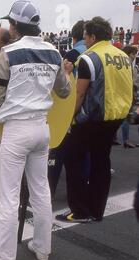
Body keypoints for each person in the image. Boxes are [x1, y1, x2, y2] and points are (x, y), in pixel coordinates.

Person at [0, 1, 73, 260]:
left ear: (14, 25)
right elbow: (64, 92)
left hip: (17, 129)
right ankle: (43, 248)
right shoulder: (54, 52)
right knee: (41, 190)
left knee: (8, 196)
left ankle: (3, 257)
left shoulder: (7, 53)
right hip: (42, 128)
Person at [56, 17, 133, 223]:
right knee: (101, 161)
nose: (85, 41)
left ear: (92, 36)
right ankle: (96, 210)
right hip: (115, 117)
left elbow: (79, 94)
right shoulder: (123, 56)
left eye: (86, 37)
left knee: (74, 160)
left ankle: (79, 211)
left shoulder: (88, 58)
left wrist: (69, 118)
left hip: (91, 118)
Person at [48, 20, 87, 197]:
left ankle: (50, 189)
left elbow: (63, 87)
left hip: (69, 107)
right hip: (89, 110)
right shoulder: (93, 53)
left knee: (58, 151)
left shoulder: (73, 54)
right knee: (82, 151)